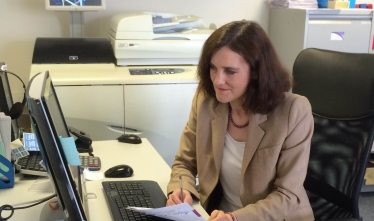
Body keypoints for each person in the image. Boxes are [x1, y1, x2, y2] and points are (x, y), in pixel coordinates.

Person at [166, 20, 314, 221]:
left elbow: (287, 195)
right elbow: (184, 162)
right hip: (216, 214)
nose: (218, 80)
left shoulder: (293, 111)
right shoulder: (205, 102)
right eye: (213, 68)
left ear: (255, 71)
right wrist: (180, 190)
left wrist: (235, 218)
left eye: (230, 71)